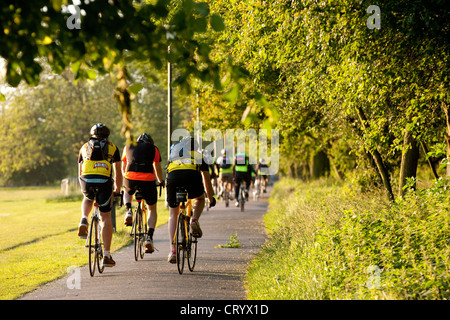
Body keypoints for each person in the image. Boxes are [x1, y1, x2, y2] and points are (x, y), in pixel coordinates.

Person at [77, 123, 122, 267]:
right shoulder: (113, 147)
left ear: (91, 135)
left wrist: (84, 187)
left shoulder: (84, 147)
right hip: (104, 182)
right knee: (105, 217)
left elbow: (80, 172)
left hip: (87, 180)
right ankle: (107, 255)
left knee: (87, 198)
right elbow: (118, 172)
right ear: (107, 136)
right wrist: (117, 189)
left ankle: (84, 219)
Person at [165, 136, 216, 263]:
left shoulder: (174, 154)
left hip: (173, 177)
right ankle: (194, 220)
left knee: (173, 214)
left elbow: (167, 171)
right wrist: (210, 198)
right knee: (199, 199)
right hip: (191, 176)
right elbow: (206, 181)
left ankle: (173, 251)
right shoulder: (198, 156)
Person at [122, 133, 163, 253]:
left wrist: (126, 177)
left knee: (127, 190)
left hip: (130, 177)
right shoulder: (154, 148)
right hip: (147, 180)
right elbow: (157, 166)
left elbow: (124, 165)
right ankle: (149, 237)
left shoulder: (127, 146)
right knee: (151, 208)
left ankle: (128, 211)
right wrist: (160, 181)